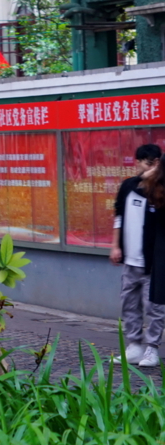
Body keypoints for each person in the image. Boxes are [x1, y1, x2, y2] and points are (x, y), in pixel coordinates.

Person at [112, 143, 165, 367]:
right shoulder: (128, 186)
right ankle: (134, 346)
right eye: (146, 163)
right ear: (138, 162)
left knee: (155, 307)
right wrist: (115, 246)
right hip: (130, 259)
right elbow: (118, 216)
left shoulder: (160, 190)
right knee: (129, 303)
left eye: (155, 163)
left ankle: (152, 348)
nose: (150, 168)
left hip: (153, 262)